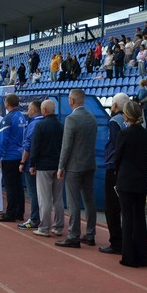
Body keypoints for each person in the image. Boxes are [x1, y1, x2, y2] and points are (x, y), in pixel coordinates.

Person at [56, 89, 98, 248]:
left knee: (73, 201)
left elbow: (66, 145)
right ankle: (90, 234)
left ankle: (73, 235)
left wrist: (61, 166)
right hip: (90, 164)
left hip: (74, 166)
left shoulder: (71, 119)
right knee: (89, 200)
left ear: (72, 101)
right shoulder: (91, 117)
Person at [115, 101, 147, 268]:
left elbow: (118, 157)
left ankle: (129, 256)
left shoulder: (124, 134)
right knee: (139, 217)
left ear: (126, 115)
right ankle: (143, 256)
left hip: (126, 179)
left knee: (128, 217)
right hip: (141, 178)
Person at [99, 92, 129, 256]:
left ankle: (116, 242)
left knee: (111, 207)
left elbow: (117, 145)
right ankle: (126, 241)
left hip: (114, 166)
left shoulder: (114, 121)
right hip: (128, 168)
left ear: (115, 106)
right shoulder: (132, 120)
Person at [30, 99, 64, 237]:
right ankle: (58, 226)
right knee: (58, 198)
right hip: (58, 165)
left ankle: (44, 227)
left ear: (44, 110)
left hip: (44, 166)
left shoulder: (40, 125)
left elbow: (35, 146)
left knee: (44, 198)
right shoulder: (61, 125)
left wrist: (32, 164)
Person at [0, 94, 26, 222]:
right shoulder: (22, 117)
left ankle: (11, 213)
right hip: (20, 155)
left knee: (10, 186)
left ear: (7, 103)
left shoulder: (7, 118)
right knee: (18, 185)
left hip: (9, 156)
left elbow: (2, 139)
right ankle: (19, 212)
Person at [17, 100, 42, 230]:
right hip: (44, 164)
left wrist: (22, 162)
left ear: (32, 110)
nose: (28, 111)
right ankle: (41, 218)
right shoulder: (45, 122)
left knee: (33, 192)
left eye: (29, 109)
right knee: (42, 193)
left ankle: (34, 219)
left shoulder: (34, 124)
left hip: (32, 164)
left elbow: (28, 145)